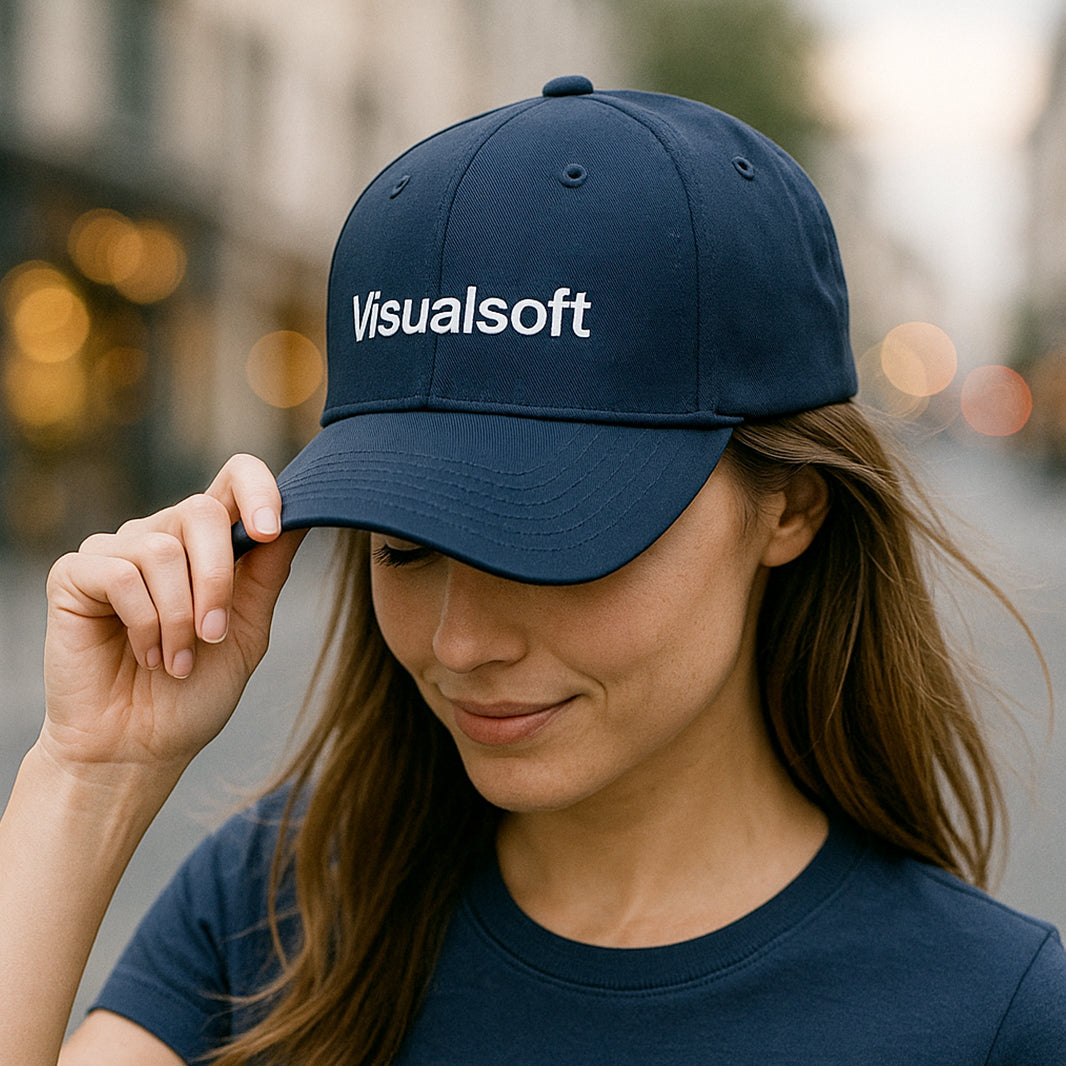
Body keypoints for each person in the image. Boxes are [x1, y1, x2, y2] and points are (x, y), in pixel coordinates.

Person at [1, 75, 1063, 1066]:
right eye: (401, 545)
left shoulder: (990, 1016)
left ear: (787, 505)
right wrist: (90, 778)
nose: (460, 641)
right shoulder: (277, 906)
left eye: (554, 541)